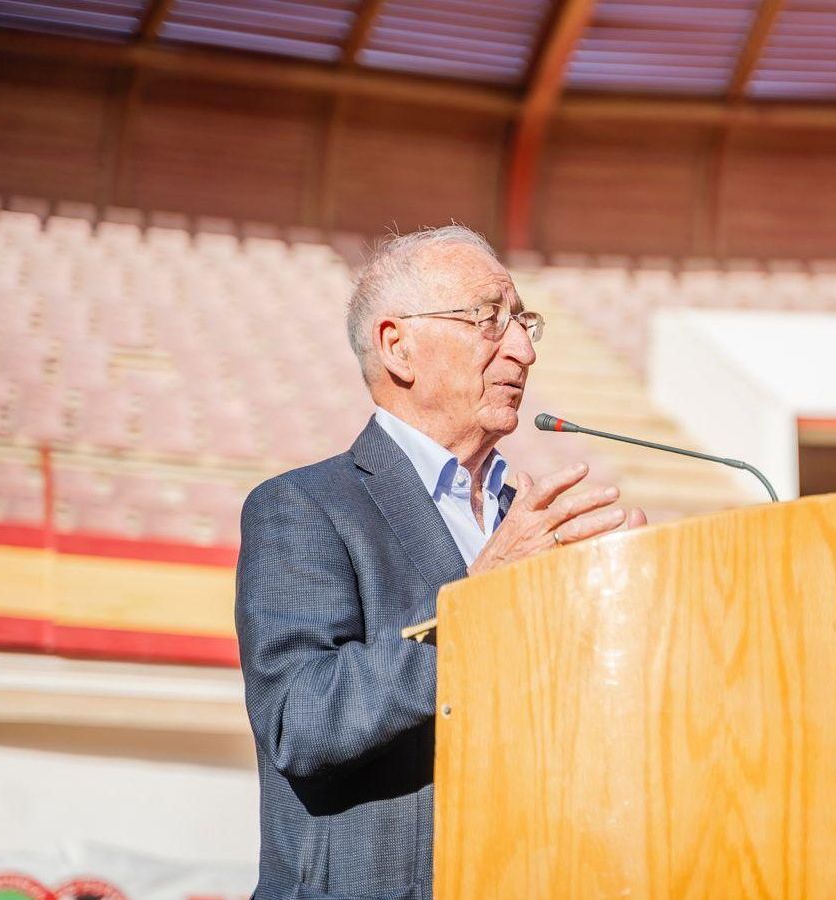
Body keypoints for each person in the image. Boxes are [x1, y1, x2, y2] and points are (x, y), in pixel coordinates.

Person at [235, 225, 644, 900]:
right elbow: (299, 721)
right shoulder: (304, 508)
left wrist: (624, 614)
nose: (522, 348)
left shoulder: (534, 523)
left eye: (524, 322)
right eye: (489, 319)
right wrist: (477, 607)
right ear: (398, 347)